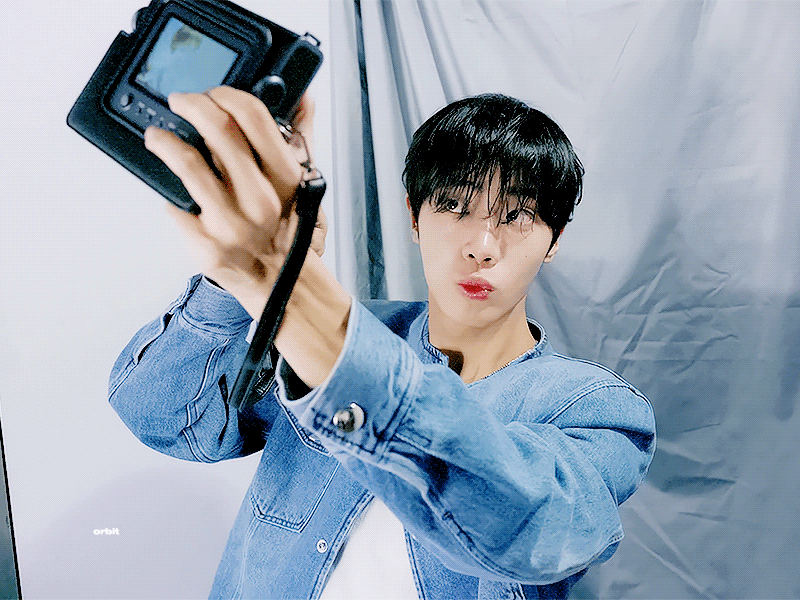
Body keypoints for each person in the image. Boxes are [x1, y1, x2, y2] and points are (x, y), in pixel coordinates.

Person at [109, 88, 656, 600]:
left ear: (554, 240)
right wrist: (235, 283)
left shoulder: (596, 409)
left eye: (517, 216)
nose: (483, 246)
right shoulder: (336, 333)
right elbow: (167, 420)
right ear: (414, 217)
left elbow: (536, 532)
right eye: (455, 206)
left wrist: (291, 283)